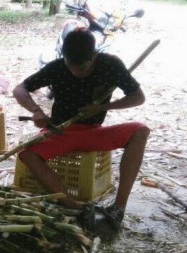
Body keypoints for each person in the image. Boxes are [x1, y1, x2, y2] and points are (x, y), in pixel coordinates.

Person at [13, 29, 150, 230]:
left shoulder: (110, 64)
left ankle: (119, 207)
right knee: (27, 154)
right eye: (71, 66)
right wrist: (36, 111)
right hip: (60, 131)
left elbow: (138, 97)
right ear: (64, 57)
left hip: (94, 131)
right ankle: (75, 207)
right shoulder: (57, 67)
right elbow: (19, 89)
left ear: (94, 55)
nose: (76, 71)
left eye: (83, 67)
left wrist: (102, 107)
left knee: (141, 130)